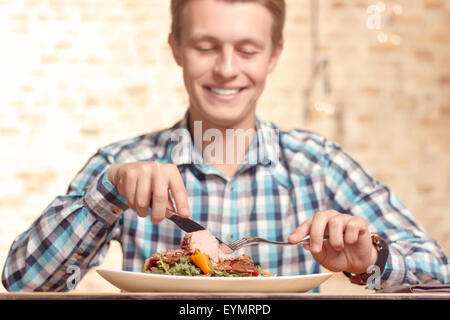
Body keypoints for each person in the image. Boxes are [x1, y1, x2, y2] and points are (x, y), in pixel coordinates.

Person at [2, 0, 449, 292]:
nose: (226, 70)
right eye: (205, 46)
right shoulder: (119, 168)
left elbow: (438, 275)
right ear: (176, 47)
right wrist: (107, 196)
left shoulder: (320, 164)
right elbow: (22, 285)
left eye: (248, 50)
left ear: (275, 54)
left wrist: (371, 258)